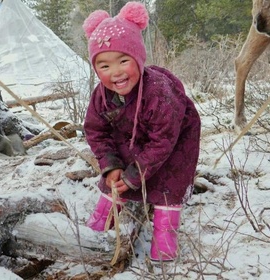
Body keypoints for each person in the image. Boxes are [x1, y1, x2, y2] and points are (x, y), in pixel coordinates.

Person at [82, 1, 201, 262]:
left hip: (172, 142)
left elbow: (163, 142)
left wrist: (136, 175)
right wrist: (111, 165)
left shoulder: (159, 93)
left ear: (138, 57)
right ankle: (97, 232)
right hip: (132, 137)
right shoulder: (101, 96)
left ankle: (164, 250)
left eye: (123, 60)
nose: (115, 73)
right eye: (104, 66)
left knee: (168, 186)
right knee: (114, 182)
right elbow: (96, 131)